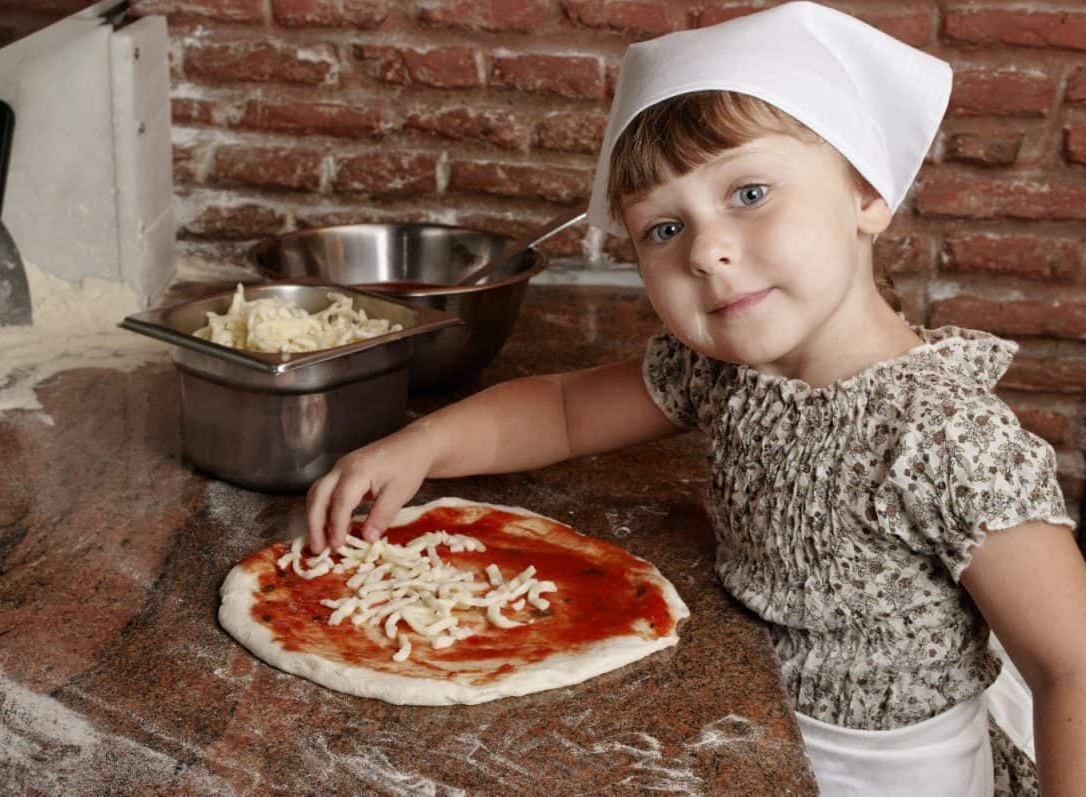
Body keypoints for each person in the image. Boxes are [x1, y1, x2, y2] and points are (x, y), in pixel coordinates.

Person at [304, 3, 1086, 794]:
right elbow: (566, 409)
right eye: (663, 230)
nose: (708, 252)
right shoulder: (717, 369)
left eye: (749, 193)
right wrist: (419, 447)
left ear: (867, 192)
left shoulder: (948, 440)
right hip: (745, 730)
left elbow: (1071, 666)